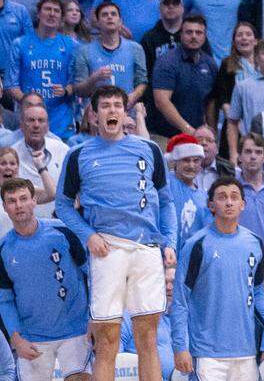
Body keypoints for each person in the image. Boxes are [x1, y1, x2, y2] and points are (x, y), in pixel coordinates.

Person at [55, 85, 175, 381]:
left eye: (117, 106)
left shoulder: (149, 149)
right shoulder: (78, 154)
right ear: (94, 115)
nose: (112, 110)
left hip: (146, 248)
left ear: (125, 112)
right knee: (107, 340)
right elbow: (63, 205)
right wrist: (88, 235)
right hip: (107, 249)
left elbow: (166, 201)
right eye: (105, 106)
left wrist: (169, 242)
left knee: (147, 337)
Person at [171, 177, 264, 381]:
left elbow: (257, 291)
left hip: (246, 351)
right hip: (207, 353)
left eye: (234, 197)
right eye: (222, 197)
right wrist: (179, 347)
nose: (229, 202)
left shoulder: (254, 242)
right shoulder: (197, 244)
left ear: (243, 204)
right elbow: (180, 300)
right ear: (211, 205)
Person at [0, 178, 91, 381]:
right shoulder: (3, 248)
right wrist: (16, 339)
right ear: (5, 207)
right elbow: (4, 300)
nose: (19, 205)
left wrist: (94, 318)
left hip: (76, 330)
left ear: (34, 201)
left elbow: (90, 273)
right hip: (32, 337)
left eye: (23, 198)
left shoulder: (64, 231)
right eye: (12, 201)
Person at [6, 0, 78, 140]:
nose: (51, 14)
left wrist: (66, 90)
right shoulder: (20, 44)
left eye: (56, 11)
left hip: (61, 122)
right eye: (47, 9)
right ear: (38, 14)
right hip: (28, 123)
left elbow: (79, 83)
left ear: (62, 18)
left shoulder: (72, 46)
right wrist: (29, 101)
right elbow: (10, 84)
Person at [151, 15, 217, 140]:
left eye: (198, 32)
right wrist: (188, 129)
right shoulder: (166, 62)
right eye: (189, 32)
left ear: (204, 36)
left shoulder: (210, 63)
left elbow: (211, 101)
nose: (194, 36)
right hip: (165, 136)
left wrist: (210, 132)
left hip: (197, 136)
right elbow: (161, 101)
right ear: (181, 35)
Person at [72, 2, 148, 107]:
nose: (109, 17)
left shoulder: (135, 49)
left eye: (113, 14)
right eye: (104, 14)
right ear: (98, 23)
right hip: (97, 114)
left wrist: (134, 96)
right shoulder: (84, 51)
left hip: (127, 112)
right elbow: (78, 90)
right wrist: (93, 79)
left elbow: (142, 81)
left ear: (120, 21)